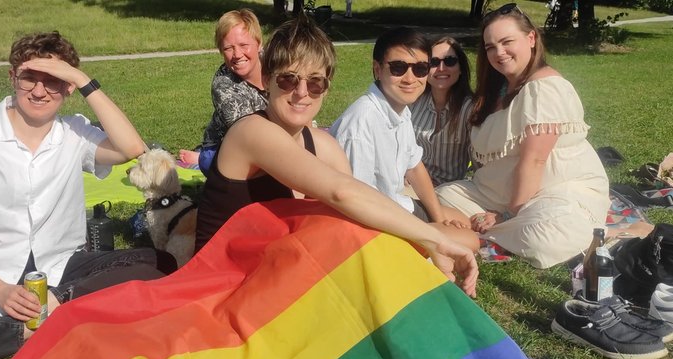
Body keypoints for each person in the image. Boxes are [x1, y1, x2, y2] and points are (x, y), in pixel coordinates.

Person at [0, 31, 177, 359]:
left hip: (58, 267)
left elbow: (132, 149)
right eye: (29, 78)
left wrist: (83, 79)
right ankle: (24, 329)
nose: (39, 91)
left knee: (160, 264)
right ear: (12, 77)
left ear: (68, 88)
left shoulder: (74, 132)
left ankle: (56, 306)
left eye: (53, 81)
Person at [193, 15, 478, 297]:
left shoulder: (322, 144)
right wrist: (433, 240)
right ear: (267, 80)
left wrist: (428, 239)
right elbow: (342, 192)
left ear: (326, 89)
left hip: (271, 273)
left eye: (315, 82)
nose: (301, 93)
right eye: (288, 80)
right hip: (222, 283)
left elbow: (357, 207)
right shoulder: (251, 132)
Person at [434, 4, 610, 269]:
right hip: (495, 193)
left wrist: (505, 215)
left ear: (531, 38)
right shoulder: (498, 89)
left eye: (507, 42)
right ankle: (488, 231)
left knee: (545, 236)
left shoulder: (544, 88)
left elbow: (534, 161)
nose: (498, 52)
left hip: (552, 194)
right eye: (490, 47)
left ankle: (480, 234)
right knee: (442, 196)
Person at [329, 27, 478, 251]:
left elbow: (415, 167)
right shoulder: (361, 122)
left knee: (462, 221)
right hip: (374, 221)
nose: (410, 79)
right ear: (377, 69)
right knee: (469, 241)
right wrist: (426, 232)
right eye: (398, 68)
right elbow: (357, 204)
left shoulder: (400, 110)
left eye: (420, 69)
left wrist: (438, 219)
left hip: (395, 203)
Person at [178, 9, 268, 175]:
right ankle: (201, 157)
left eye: (243, 45)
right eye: (228, 48)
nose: (237, 54)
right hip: (228, 145)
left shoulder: (276, 63)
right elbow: (251, 137)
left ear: (259, 43)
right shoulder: (223, 85)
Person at [409, 36, 474, 187]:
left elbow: (480, 162)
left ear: (461, 69)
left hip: (447, 192)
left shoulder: (470, 109)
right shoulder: (413, 102)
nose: (442, 68)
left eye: (450, 61)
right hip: (410, 183)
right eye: (434, 62)